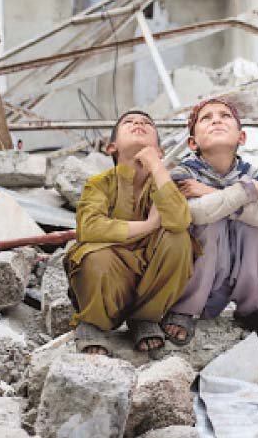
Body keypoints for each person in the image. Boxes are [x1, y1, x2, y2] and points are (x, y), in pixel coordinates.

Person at [63, 110, 194, 355]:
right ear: (112, 147)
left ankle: (145, 318)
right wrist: (147, 226)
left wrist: (156, 165)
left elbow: (179, 221)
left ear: (160, 149)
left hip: (149, 270)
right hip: (109, 274)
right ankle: (93, 323)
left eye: (146, 123)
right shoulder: (100, 183)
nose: (138, 124)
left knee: (179, 240)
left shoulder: (164, 183)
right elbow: (89, 226)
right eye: (129, 122)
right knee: (96, 257)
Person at [161, 98, 258, 345]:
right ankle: (185, 309)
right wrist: (250, 192)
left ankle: (253, 308)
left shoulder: (254, 174)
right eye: (206, 118)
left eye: (224, 116)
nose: (216, 120)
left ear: (242, 137)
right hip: (199, 278)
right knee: (212, 219)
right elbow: (197, 214)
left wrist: (211, 193)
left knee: (256, 226)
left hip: (238, 271)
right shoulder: (183, 175)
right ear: (192, 142)